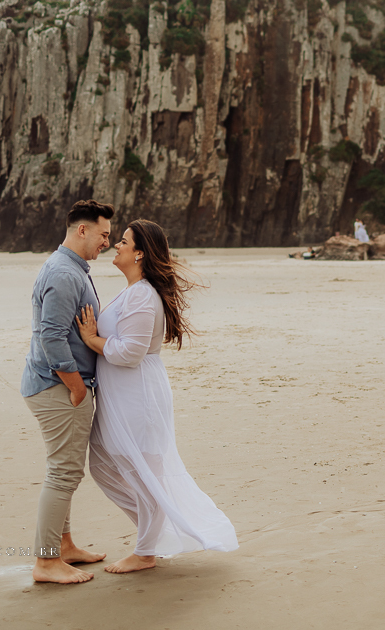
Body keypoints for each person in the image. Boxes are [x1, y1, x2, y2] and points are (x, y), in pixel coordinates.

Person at [76, 219, 238, 573]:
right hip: (122, 396)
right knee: (104, 466)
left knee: (145, 471)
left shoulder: (144, 296)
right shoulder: (133, 291)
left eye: (123, 241)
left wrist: (92, 341)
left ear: (139, 254)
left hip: (139, 396)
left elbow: (131, 352)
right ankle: (155, 533)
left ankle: (146, 551)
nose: (116, 245)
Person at [21, 199, 114, 584]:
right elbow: (51, 337)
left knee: (65, 471)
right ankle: (45, 562)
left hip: (57, 385)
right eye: (104, 234)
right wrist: (76, 387)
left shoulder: (72, 268)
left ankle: (64, 546)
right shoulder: (64, 273)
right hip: (57, 387)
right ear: (82, 230)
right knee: (63, 473)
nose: (106, 242)